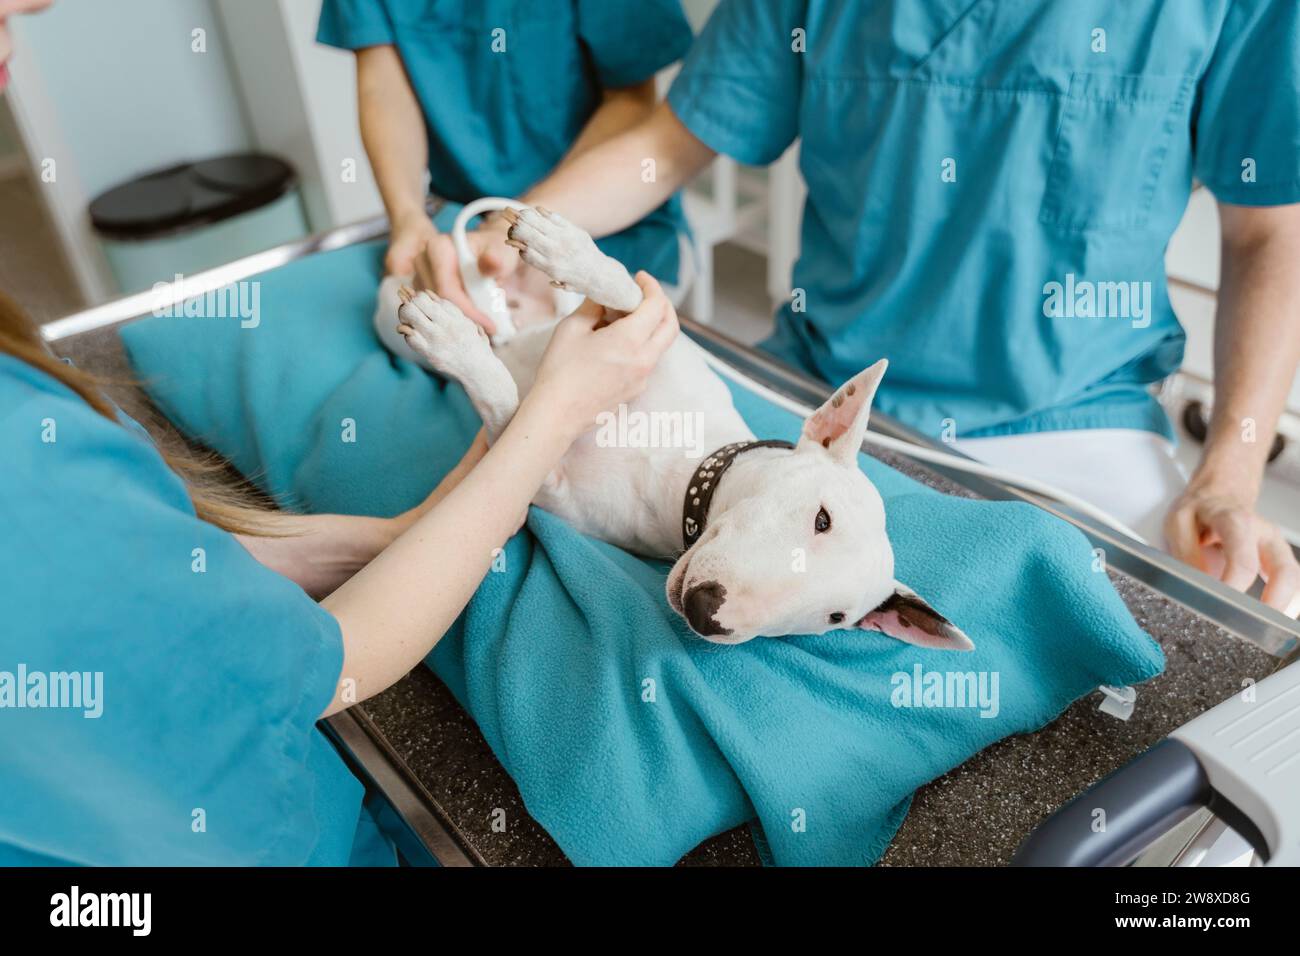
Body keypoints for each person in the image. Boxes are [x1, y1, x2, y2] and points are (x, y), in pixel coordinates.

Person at [435, 0, 1300, 615]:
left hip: (1074, 429)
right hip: (814, 390)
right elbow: (670, 145)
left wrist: (1229, 472)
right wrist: (509, 233)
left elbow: (1270, 236)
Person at [0, 272, 678, 864]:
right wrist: (557, 415)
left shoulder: (34, 430)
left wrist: (408, 531)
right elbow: (337, 654)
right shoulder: (28, 475)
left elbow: (159, 559)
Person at [317, 0, 696, 332]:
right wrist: (407, 217)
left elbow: (633, 101)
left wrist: (516, 226)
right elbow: (382, 89)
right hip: (461, 218)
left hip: (614, 224)